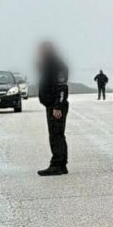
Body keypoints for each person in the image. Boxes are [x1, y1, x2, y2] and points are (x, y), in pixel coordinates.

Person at [37, 41, 70, 176]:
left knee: (56, 135)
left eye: (43, 50)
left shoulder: (57, 64)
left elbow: (62, 87)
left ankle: (57, 164)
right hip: (51, 105)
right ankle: (61, 164)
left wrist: (57, 106)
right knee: (56, 134)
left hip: (57, 106)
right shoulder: (48, 64)